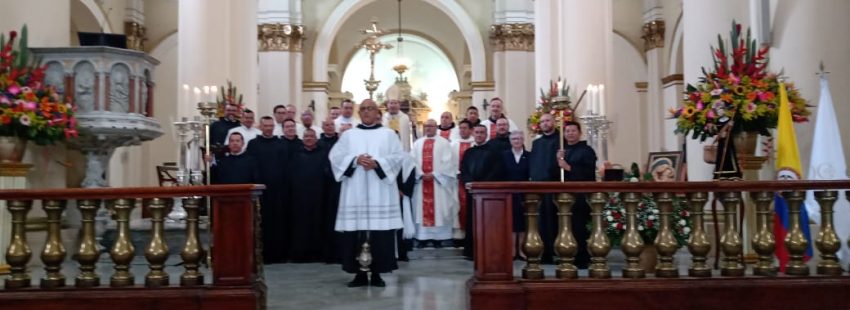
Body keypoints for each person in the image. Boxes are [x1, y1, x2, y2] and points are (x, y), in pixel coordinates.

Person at [328, 99, 406, 287]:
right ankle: (359, 275)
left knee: (380, 234)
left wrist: (378, 163)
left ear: (377, 113)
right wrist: (355, 160)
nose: (366, 112)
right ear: (359, 113)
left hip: (380, 192)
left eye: (370, 109)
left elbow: (397, 157)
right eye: (362, 109)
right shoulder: (348, 135)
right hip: (355, 192)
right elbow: (335, 157)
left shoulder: (388, 134)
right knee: (357, 232)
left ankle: (378, 273)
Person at [245, 116, 289, 263]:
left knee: (278, 222)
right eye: (266, 126)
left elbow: (286, 166)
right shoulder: (253, 144)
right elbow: (250, 166)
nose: (269, 128)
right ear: (261, 127)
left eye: (271, 126)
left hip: (279, 191)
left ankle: (279, 254)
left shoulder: (281, 144)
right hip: (260, 191)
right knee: (261, 222)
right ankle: (261, 255)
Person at [554, 121, 597, 268]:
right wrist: (558, 160)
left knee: (579, 227)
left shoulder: (587, 150)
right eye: (567, 131)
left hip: (580, 195)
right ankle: (566, 254)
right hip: (565, 195)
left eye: (573, 131)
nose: (570, 133)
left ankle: (582, 258)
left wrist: (568, 166)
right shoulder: (563, 150)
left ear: (579, 133)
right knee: (565, 227)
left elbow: (588, 172)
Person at [459, 124, 505, 259]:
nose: (479, 135)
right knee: (472, 222)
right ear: (473, 134)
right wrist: (469, 182)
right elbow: (464, 170)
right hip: (471, 192)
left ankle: (487, 250)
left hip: (487, 193)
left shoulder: (494, 152)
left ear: (486, 135)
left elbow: (496, 171)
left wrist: (482, 184)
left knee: (486, 223)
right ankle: (471, 252)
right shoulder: (468, 152)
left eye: (482, 133)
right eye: (477, 132)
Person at [410, 119, 458, 248]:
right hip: (421, 183)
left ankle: (440, 238)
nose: (428, 128)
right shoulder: (417, 144)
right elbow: (412, 161)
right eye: (426, 126)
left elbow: (448, 162)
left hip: (438, 184)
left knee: (439, 209)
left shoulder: (444, 143)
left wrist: (435, 174)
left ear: (436, 127)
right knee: (420, 209)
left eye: (430, 126)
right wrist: (420, 174)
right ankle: (422, 237)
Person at [288, 129, 333, 262]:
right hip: (300, 197)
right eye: (306, 136)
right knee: (301, 226)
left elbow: (328, 175)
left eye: (311, 136)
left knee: (318, 224)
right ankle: (301, 254)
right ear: (302, 139)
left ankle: (317, 253)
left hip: (319, 196)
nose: (309, 138)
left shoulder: (324, 154)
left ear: (316, 138)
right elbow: (290, 175)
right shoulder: (296, 155)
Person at [528, 113, 562, 264]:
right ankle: (544, 252)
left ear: (554, 122)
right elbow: (534, 163)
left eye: (548, 120)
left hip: (554, 186)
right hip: (539, 187)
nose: (545, 123)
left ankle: (557, 251)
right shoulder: (537, 143)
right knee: (541, 221)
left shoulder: (561, 140)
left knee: (555, 220)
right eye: (542, 122)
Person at [501, 130, 530, 259]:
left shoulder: (530, 155)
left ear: (523, 140)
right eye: (514, 139)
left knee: (524, 222)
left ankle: (522, 249)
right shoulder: (504, 156)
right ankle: (512, 249)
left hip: (525, 193)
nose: (517, 141)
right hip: (509, 193)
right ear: (510, 141)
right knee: (512, 222)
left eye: (519, 138)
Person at [451, 120, 475, 244]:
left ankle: (471, 233)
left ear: (471, 130)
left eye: (465, 128)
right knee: (457, 205)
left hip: (471, 181)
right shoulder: (453, 144)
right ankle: (458, 235)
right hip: (457, 180)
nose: (462, 130)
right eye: (460, 128)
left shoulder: (475, 144)